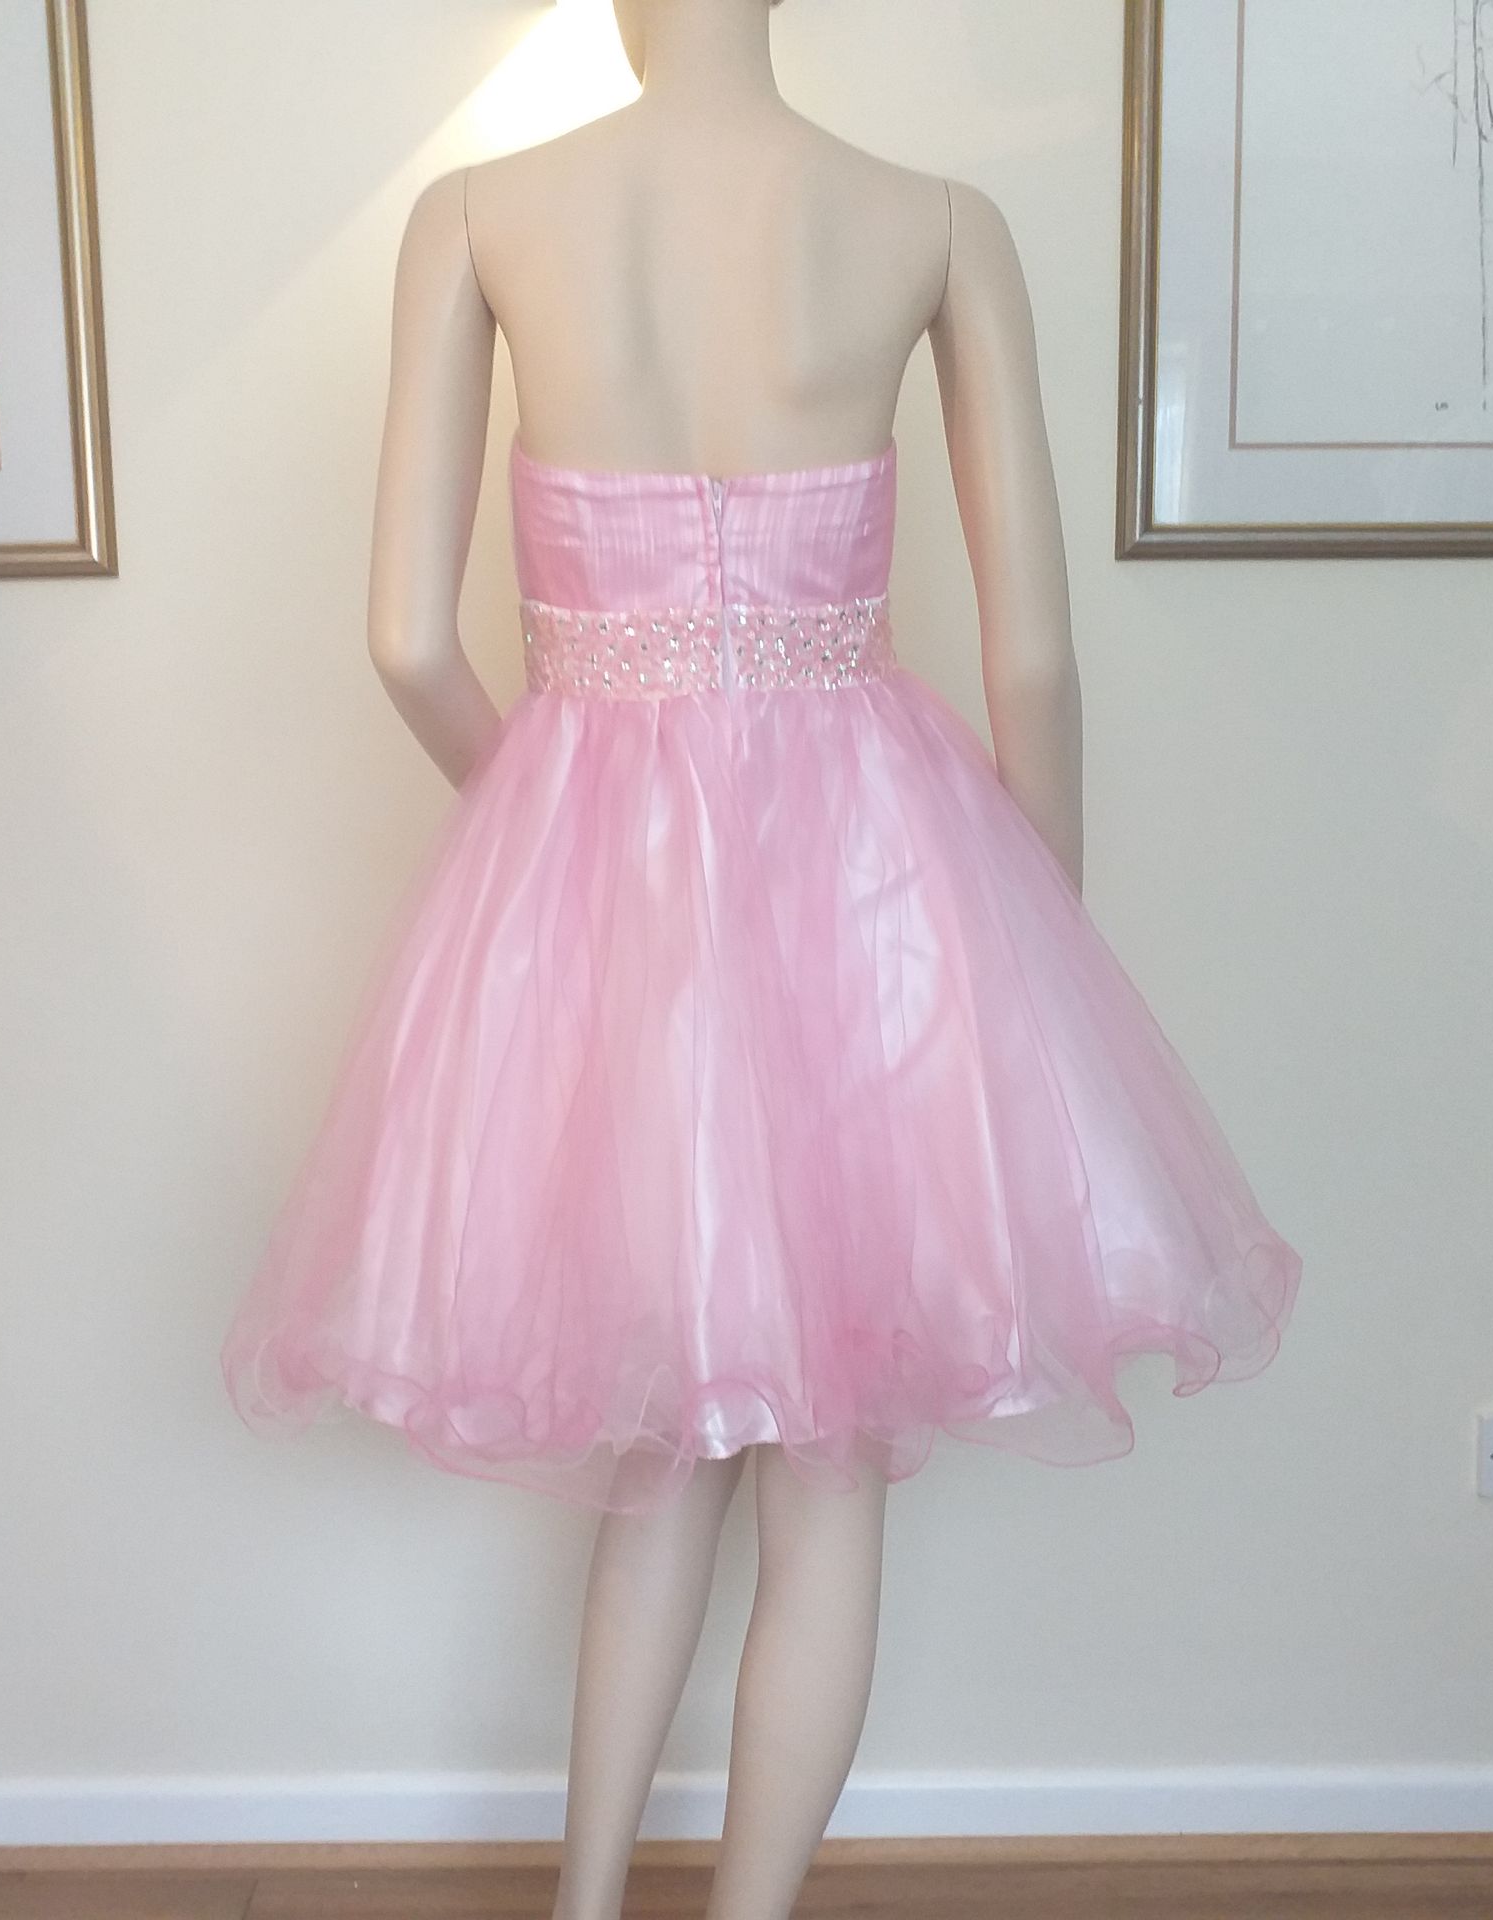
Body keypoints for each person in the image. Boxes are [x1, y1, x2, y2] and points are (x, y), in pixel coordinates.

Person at [220, 1, 1302, 1913]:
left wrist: (540, 811)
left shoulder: (474, 215)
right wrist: (1027, 944)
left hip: (613, 884)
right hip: (877, 880)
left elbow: (406, 639)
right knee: (826, 1471)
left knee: (668, 1454)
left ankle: (582, 1906)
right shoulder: (936, 221)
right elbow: (1038, 662)